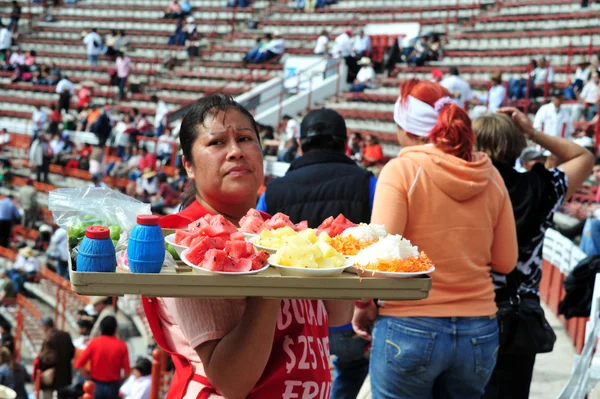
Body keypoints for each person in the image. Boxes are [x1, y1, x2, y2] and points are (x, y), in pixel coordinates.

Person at [148, 93, 331, 398]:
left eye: (245, 138)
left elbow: (337, 316)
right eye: (217, 142)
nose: (236, 152)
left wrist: (335, 250)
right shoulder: (181, 240)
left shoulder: (277, 229)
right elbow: (232, 382)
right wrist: (271, 275)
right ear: (189, 166)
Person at [353, 79, 519, 398]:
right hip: (478, 329)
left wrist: (363, 304)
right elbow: (506, 261)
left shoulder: (401, 170)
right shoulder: (490, 174)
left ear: (405, 127)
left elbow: (378, 259)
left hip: (409, 324)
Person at [473, 109, 594, 399]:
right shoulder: (542, 187)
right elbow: (584, 159)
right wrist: (531, 132)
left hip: (468, 310)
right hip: (518, 315)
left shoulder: (460, 188)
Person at [256, 108, 374, 398]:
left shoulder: (274, 190)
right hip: (351, 312)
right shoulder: (368, 183)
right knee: (351, 372)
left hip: (290, 318)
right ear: (346, 144)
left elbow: (257, 244)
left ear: (300, 145)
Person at [75, 316, 129, 399]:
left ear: (101, 329)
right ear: (115, 329)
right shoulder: (122, 345)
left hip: (96, 384)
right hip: (113, 386)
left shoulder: (94, 343)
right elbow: (127, 371)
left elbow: (79, 364)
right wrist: (121, 381)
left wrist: (88, 378)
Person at [38, 317, 75, 399]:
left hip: (52, 375)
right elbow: (72, 352)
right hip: (65, 373)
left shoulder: (49, 338)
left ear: (44, 327)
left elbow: (49, 358)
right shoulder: (66, 335)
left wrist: (40, 357)